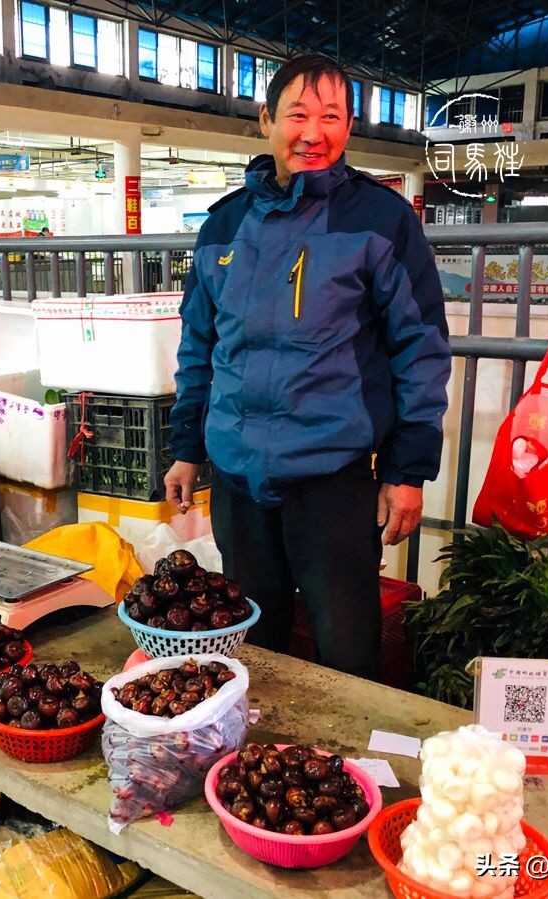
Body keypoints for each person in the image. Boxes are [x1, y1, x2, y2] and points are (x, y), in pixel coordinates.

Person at [163, 54, 451, 679]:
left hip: (333, 474)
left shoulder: (381, 220)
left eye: (331, 117)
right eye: (298, 114)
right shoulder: (224, 224)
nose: (313, 133)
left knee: (346, 646)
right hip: (237, 475)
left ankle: (350, 771)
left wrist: (407, 469)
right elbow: (199, 345)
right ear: (266, 120)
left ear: (348, 128)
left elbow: (420, 348)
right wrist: (188, 445)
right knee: (249, 645)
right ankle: (253, 767)